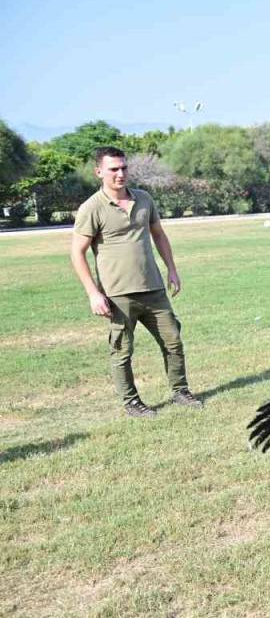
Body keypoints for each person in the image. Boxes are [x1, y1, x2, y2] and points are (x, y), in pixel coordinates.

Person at [70, 146, 201, 418]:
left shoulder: (143, 199)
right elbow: (77, 253)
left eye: (124, 168)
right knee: (122, 351)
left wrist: (172, 270)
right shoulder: (92, 208)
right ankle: (132, 402)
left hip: (153, 288)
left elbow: (159, 235)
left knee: (173, 341)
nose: (120, 174)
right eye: (113, 169)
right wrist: (93, 293)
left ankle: (180, 391)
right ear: (99, 172)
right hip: (118, 294)